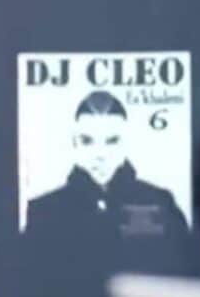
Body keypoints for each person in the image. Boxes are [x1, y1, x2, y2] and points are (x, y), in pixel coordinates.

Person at [22, 91, 190, 296]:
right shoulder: (43, 212)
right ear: (74, 143)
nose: (100, 154)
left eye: (112, 141)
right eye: (87, 141)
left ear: (126, 143)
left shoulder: (160, 203)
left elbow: (185, 281)